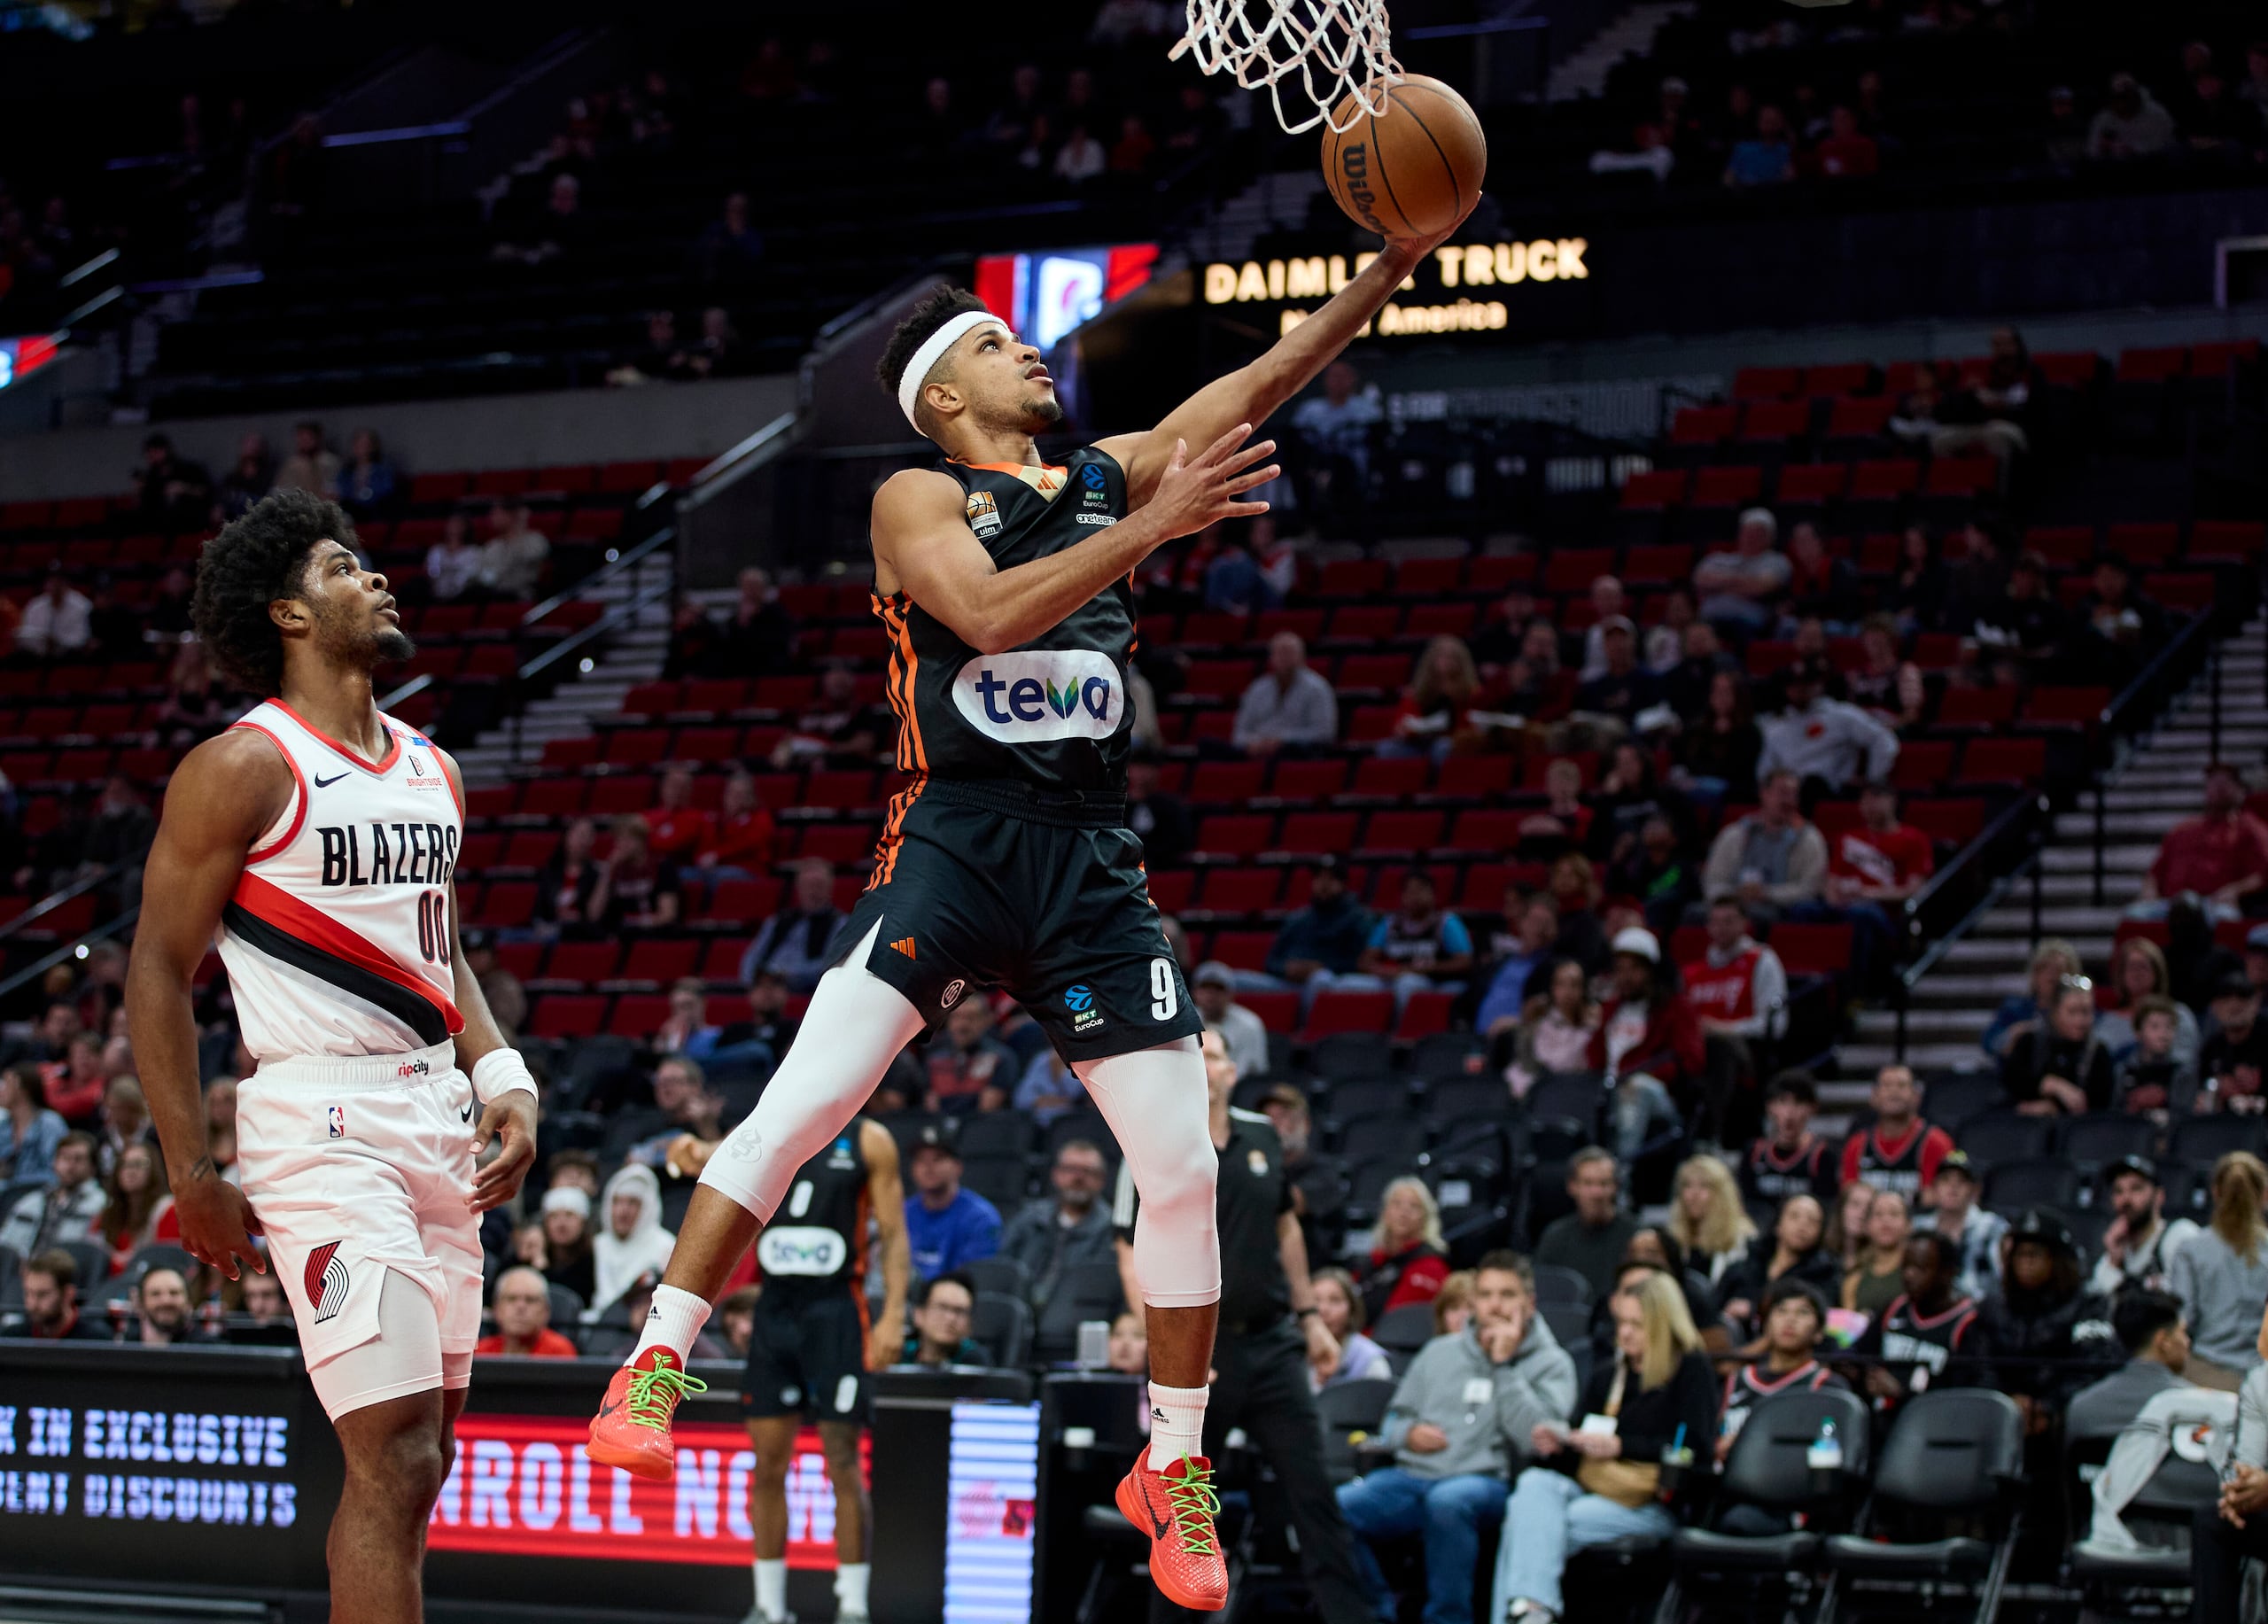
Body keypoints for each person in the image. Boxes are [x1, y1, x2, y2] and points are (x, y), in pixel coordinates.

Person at [587, 241, 1472, 1616]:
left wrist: (1391, 263)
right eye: (1000, 343)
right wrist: (1152, 535)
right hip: (954, 838)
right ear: (947, 397)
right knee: (806, 1101)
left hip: (1088, 864)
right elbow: (993, 615)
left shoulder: (1108, 474)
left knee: (1185, 1172)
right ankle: (656, 1354)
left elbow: (1266, 371)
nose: (1030, 352)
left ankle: (1168, 1466)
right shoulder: (915, 494)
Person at [121, 483, 540, 1624]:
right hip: (319, 1122)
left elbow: (439, 951)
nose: (375, 575)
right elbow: (157, 970)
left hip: (434, 1113)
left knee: (427, 1459)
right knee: (394, 1454)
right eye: (342, 567)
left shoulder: (432, 769)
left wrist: (501, 1075)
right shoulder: (243, 767)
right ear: (289, 616)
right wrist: (191, 1171)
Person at [1118, 1027, 1379, 1624]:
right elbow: (1131, 1252)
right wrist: (1169, 1353)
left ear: (1234, 1071)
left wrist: (1311, 1316)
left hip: (1273, 1340)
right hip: (1202, 1353)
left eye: (1217, 1055)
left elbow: (1287, 1229)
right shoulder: (1154, 1138)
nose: (1208, 1063)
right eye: (1198, 1054)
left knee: (1314, 1494)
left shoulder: (1262, 1135)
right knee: (1181, 1507)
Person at [652, 1117, 907, 1624]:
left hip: (837, 1312)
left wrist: (895, 1314)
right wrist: (688, 1147)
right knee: (768, 1465)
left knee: (843, 1462)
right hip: (776, 1312)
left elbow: (896, 1235)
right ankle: (768, 1607)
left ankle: (852, 1606)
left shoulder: (869, 1140)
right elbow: (707, 1152)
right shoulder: (772, 1125)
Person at [1340, 1252, 1580, 1624]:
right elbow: (1393, 1420)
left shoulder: (1552, 1363)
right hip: (1415, 1477)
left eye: (1507, 1295)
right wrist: (1409, 1433)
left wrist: (1503, 1367)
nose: (1495, 1306)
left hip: (1490, 1484)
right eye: (1485, 1295)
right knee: (1338, 1506)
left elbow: (1537, 1439)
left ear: (1528, 1304)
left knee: (1449, 1501)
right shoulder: (1440, 1352)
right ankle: (1376, 1613)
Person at [1493, 1270, 1715, 1624]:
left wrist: (1621, 1446)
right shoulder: (1608, 1373)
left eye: (1637, 1325)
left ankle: (1525, 1614)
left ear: (1662, 1325)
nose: (1624, 1333)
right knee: (1533, 1487)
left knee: (1529, 1526)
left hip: (1649, 1502)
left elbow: (1696, 1451)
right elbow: (1581, 1440)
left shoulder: (1690, 1370)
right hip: (1592, 1486)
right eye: (1621, 1322)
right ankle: (1534, 1612)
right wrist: (1560, 1444)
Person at [1977, 1208, 2118, 1432]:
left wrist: (2048, 1406)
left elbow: (2092, 1368)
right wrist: (2006, 1401)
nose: (2026, 1262)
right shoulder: (1993, 1307)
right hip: (2000, 1414)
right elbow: (1979, 1365)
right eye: (2020, 1254)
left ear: (2058, 1259)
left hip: (2064, 1417)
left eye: (2035, 1253)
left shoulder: (2088, 1305)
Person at [1679, 899, 1787, 1146]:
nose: (1722, 928)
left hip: (1748, 1052)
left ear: (1744, 925)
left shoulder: (1762, 960)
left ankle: (1715, 1136)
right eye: (1716, 922)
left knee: (1720, 1047)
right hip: (1697, 1052)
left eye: (1729, 921)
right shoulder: (1693, 972)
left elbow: (1776, 1025)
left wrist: (1724, 1028)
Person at [1587, 929, 1697, 1162]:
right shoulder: (1611, 1010)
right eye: (1620, 969)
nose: (1625, 977)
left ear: (1651, 971)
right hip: (1608, 1090)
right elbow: (1594, 1059)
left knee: (1637, 1088)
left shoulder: (1675, 1009)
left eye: (1634, 969)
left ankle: (1620, 1172)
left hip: (1659, 1098)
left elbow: (1690, 1060)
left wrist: (1639, 1075)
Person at [1845, 1232, 1990, 1406]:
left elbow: (1964, 1396)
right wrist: (1861, 1373)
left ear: (1947, 1273)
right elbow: (1859, 1354)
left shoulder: (1968, 1323)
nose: (1909, 1275)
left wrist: (1903, 1393)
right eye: (1905, 1266)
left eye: (1920, 1268)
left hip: (1934, 1427)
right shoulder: (1895, 1308)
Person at [2166, 1151, 2268, 1389]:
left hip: (2203, 1377)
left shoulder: (2191, 1250)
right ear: (2264, 1195)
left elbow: (2184, 1317)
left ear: (2215, 1192)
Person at [1717, 1278, 1848, 1465]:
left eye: (1802, 1312)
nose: (1790, 1320)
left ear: (1819, 1332)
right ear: (1766, 1324)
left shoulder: (1826, 1386)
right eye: (1781, 1311)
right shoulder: (1737, 1380)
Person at [2132, 764, 2268, 921]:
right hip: (2172, 904)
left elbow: (2262, 875)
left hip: (2214, 904)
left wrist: (2234, 890)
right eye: (2213, 782)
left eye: (2224, 783)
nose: (2218, 788)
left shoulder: (2251, 829)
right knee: (2136, 914)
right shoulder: (2184, 829)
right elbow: (2155, 873)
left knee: (2224, 917)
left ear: (2241, 790)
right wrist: (2150, 893)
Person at [999, 1138, 1115, 1317]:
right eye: (1070, 1170)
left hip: (1075, 1320)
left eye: (1087, 1172)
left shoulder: (1112, 1230)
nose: (1078, 1178)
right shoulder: (1029, 1219)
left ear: (1101, 1181)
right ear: (1056, 1174)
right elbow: (1003, 1268)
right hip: (1019, 1316)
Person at [2065, 1287, 2193, 1442]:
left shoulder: (2080, 1408)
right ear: (2163, 1341)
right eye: (2183, 1332)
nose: (2187, 1342)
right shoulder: (2193, 1408)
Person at [1756, 658, 1899, 792]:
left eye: (1806, 683)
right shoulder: (1774, 727)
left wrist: (1873, 780)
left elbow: (1883, 739)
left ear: (1818, 684)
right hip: (1792, 795)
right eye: (1794, 684)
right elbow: (1764, 773)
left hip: (1834, 792)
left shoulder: (1841, 715)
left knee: (1814, 783)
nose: (1800, 689)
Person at [1701, 769, 1827, 917]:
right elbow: (1713, 880)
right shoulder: (1735, 834)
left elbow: (1810, 888)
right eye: (1782, 792)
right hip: (1732, 905)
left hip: (1781, 910)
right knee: (1695, 913)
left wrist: (1767, 894)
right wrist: (1734, 898)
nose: (1789, 800)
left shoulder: (1810, 838)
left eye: (1794, 794)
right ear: (1764, 793)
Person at [1347, 870, 1474, 1012]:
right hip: (1393, 978)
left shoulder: (1445, 922)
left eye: (1420, 890)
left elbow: (1464, 962)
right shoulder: (1390, 923)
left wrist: (1422, 968)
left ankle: (1399, 1031)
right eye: (1409, 891)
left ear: (1433, 894)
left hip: (1433, 981)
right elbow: (1365, 961)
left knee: (1407, 983)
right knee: (1347, 984)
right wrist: (1382, 970)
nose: (1414, 896)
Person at [1716, 1194, 1838, 1341]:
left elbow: (1820, 1322)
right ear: (1778, 1225)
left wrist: (1754, 1311)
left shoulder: (1825, 1277)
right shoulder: (1742, 1268)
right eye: (1794, 1216)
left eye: (1813, 1221)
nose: (1803, 1225)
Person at [1534, 1148, 1640, 1306]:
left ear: (1616, 1187)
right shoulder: (1555, 1236)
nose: (1596, 1193)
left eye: (1604, 1183)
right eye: (1588, 1183)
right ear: (1572, 1187)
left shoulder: (1635, 1235)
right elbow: (1542, 1291)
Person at [2001, 975, 2115, 1117]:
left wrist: (2054, 1109)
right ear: (2055, 1012)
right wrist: (2051, 1085)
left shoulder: (2098, 1052)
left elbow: (2099, 1103)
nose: (2080, 1020)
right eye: (2072, 1012)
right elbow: (2013, 1081)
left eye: (2086, 1012)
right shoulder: (2030, 1042)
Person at [900, 1124, 1001, 1281]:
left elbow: (976, 1278)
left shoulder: (981, 1218)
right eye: (920, 1160)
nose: (928, 1167)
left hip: (954, 1299)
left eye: (938, 1158)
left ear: (957, 1167)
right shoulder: (902, 1213)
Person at [1837, 1064, 1953, 1198]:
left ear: (1917, 1097)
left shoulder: (1937, 1143)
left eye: (1902, 1085)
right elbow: (1848, 1199)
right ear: (1874, 1097)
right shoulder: (1857, 1145)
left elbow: (1940, 1199)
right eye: (1887, 1085)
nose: (1894, 1092)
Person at [2090, 1154, 2198, 1297]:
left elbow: (2185, 1297)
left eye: (2136, 1189)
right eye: (2118, 1191)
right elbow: (2097, 1296)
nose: (2126, 1199)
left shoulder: (2178, 1236)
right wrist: (2114, 1261)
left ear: (2159, 1196)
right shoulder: (2117, 1249)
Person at [736, 859, 847, 994]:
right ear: (798, 888)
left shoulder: (839, 923)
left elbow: (831, 963)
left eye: (818, 885)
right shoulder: (777, 920)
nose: (813, 892)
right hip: (767, 985)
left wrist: (788, 975)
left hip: (806, 990)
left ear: (830, 888)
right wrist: (755, 980)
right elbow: (752, 957)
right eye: (808, 886)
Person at [1351, 1176, 1451, 1325]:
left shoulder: (1430, 1266)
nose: (1404, 1213)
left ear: (1425, 1218)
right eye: (1396, 1204)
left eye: (1414, 1206)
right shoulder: (1371, 1261)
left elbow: (1396, 1323)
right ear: (1384, 1213)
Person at [1738, 1071, 1840, 1209]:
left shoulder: (1823, 1156)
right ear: (1770, 1107)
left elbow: (1826, 1207)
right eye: (1782, 1102)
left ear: (1812, 1108)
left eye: (1798, 1103)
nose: (1789, 1113)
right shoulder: (1753, 1152)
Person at [1914, 1151, 2006, 1302]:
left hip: (1979, 1311)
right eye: (1945, 1180)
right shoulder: (1920, 1228)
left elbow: (2004, 1278)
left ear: (1975, 1190)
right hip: (1930, 1306)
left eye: (1962, 1181)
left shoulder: (1992, 1228)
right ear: (1934, 1188)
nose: (1953, 1188)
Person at [2095, 937, 2202, 1067]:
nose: (2137, 973)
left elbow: (2188, 1062)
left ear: (2157, 972)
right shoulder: (2106, 1022)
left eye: (2143, 966)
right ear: (2121, 974)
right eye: (2131, 967)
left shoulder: (2179, 1015)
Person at [0, 1131, 106, 1257]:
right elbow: (5, 1245)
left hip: (69, 1272)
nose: (70, 1166)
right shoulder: (30, 1202)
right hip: (22, 1272)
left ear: (93, 1167)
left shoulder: (101, 1204)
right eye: (65, 1158)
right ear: (54, 1163)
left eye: (78, 1159)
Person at [1233, 631, 1339, 756]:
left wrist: (1283, 740)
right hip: (1257, 750)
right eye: (1280, 653)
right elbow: (1239, 733)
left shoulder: (1317, 687)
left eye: (1289, 653)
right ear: (1271, 657)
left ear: (1302, 657)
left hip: (1295, 752)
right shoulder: (1257, 688)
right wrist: (1255, 743)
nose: (1284, 658)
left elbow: (1324, 733)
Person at [592, 1163, 677, 1318]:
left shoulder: (666, 1246)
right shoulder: (596, 1245)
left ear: (647, 1207)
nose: (623, 1211)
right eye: (617, 1202)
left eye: (632, 1203)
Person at [1693, 508, 1791, 639]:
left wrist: (1719, 586)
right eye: (1748, 532)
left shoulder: (1776, 561)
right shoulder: (1718, 558)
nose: (1751, 537)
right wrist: (1743, 582)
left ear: (1770, 538)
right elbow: (1700, 580)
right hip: (1708, 620)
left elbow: (1760, 588)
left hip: (1748, 625)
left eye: (1758, 533)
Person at [1981, 938, 2083, 1061]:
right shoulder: (2016, 1008)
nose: (2051, 975)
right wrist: (2015, 1033)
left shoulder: (2082, 1011)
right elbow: (1990, 1044)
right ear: (2034, 974)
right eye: (2044, 968)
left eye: (2059, 969)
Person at [1668, 1154, 1754, 1289]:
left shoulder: (1740, 1238)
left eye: (1704, 1186)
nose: (1694, 1194)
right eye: (1687, 1186)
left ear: (1721, 1194)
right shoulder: (1674, 1238)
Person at [95, 1139, 178, 1275]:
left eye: (139, 1164)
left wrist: (116, 1260)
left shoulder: (167, 1211)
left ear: (154, 1169)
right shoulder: (109, 1213)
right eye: (124, 1165)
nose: (130, 1171)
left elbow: (164, 1258)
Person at [921, 996, 1018, 1113]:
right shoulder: (935, 1059)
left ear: (986, 1021)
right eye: (956, 1017)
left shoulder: (1001, 1058)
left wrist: (946, 1101)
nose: (962, 1025)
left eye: (971, 1018)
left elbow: (987, 1108)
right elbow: (931, 1107)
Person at [1309, 1265, 1393, 1389]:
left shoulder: (1371, 1361)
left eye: (1335, 1300)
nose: (1323, 1309)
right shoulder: (1291, 1354)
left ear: (1352, 1309)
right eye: (1315, 1300)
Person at [2115, 996, 2198, 1115]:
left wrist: (2165, 1098)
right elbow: (2115, 1116)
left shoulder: (2183, 1073)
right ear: (2138, 1031)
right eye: (2155, 1027)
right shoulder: (2124, 1072)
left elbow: (2185, 1117)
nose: (2163, 1035)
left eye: (2169, 1027)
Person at [3, 1249, 111, 1340]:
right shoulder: (12, 1337)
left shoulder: (95, 1340)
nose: (32, 1304)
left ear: (68, 1294)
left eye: (42, 1295)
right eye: (28, 1293)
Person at [1840, 1187, 1913, 1321]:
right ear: (1867, 1226)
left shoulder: (1916, 1274)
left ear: (1909, 1225)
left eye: (1894, 1214)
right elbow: (1847, 1333)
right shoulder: (1854, 1280)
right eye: (1878, 1214)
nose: (1886, 1220)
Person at [475, 1266, 578, 1357]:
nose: (521, 1307)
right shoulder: (482, 1352)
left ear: (546, 1311)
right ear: (497, 1309)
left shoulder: (560, 1352)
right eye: (511, 1299)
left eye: (530, 1300)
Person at [2199, 975, 2268, 1111]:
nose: (2234, 1005)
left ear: (2256, 1003)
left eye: (2242, 997)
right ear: (2214, 1007)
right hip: (2226, 1126)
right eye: (2225, 998)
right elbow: (2202, 1097)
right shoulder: (2211, 1047)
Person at [1189, 960, 1268, 1078]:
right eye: (1205, 988)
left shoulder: (1250, 1024)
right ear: (1194, 992)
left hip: (1239, 1091)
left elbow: (1253, 1070)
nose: (1211, 995)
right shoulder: (1185, 1022)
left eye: (1218, 989)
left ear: (1231, 994)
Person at [902, 1270, 987, 1366]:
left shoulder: (975, 1363)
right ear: (919, 1314)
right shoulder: (900, 1353)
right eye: (942, 1307)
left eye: (959, 1311)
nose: (951, 1318)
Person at [0, 1064, 66, 1185]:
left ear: (22, 1088)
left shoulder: (49, 1123)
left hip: (41, 1190)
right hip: (8, 1193)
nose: (1, 1090)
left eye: (5, 1083)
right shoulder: (4, 1126)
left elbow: (57, 1169)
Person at [126, 1263, 206, 1346]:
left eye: (174, 1293)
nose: (166, 1301)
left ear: (189, 1300)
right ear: (141, 1303)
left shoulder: (209, 1348)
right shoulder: (123, 1345)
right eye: (156, 1294)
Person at [275, 421, 341, 497]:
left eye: (308, 437)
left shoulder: (330, 461)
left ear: (317, 438)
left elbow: (335, 488)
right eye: (300, 437)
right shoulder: (292, 464)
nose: (304, 441)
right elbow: (281, 489)